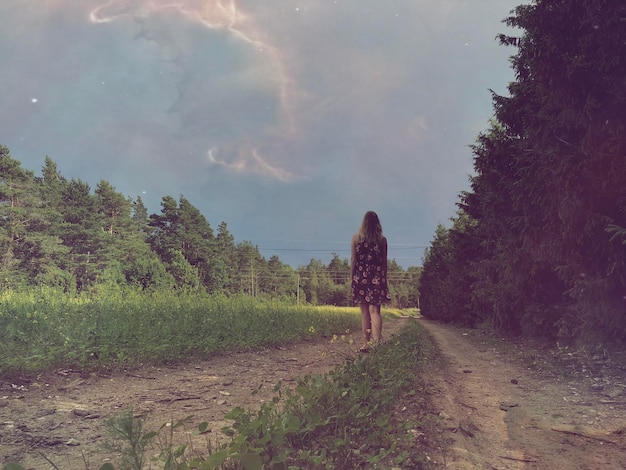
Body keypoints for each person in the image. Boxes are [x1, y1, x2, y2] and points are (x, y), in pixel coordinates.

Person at [350, 211, 391, 352]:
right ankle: (377, 343)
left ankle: (366, 344)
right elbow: (384, 262)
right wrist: (383, 279)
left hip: (360, 277)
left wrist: (352, 278)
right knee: (375, 311)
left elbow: (353, 260)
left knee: (364, 313)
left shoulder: (356, 238)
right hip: (377, 277)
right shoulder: (382, 240)